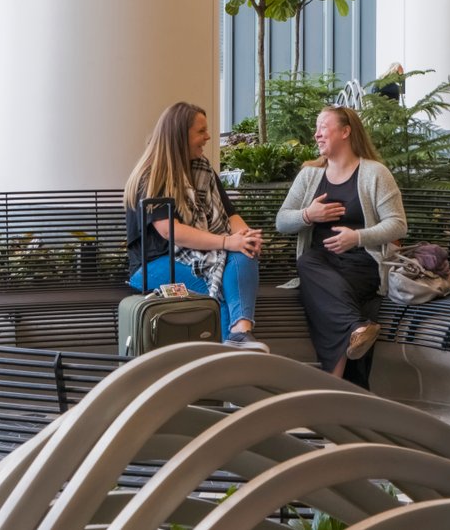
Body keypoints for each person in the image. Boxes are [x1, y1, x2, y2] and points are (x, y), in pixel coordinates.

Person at [276, 106, 407, 389]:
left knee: (324, 297)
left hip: (362, 264)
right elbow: (281, 221)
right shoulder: (310, 175)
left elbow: (398, 225)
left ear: (345, 132)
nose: (316, 133)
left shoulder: (374, 173)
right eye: (316, 127)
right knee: (309, 264)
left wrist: (356, 238)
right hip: (320, 265)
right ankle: (355, 331)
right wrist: (309, 215)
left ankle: (333, 386)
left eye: (323, 126)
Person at [123, 102, 267, 351]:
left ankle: (240, 333)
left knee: (244, 253)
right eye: (201, 131)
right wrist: (226, 242)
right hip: (155, 264)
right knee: (216, 291)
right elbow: (170, 231)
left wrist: (245, 236)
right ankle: (225, 361)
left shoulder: (202, 169)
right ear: (180, 135)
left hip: (200, 255)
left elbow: (230, 215)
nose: (208, 137)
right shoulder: (152, 176)